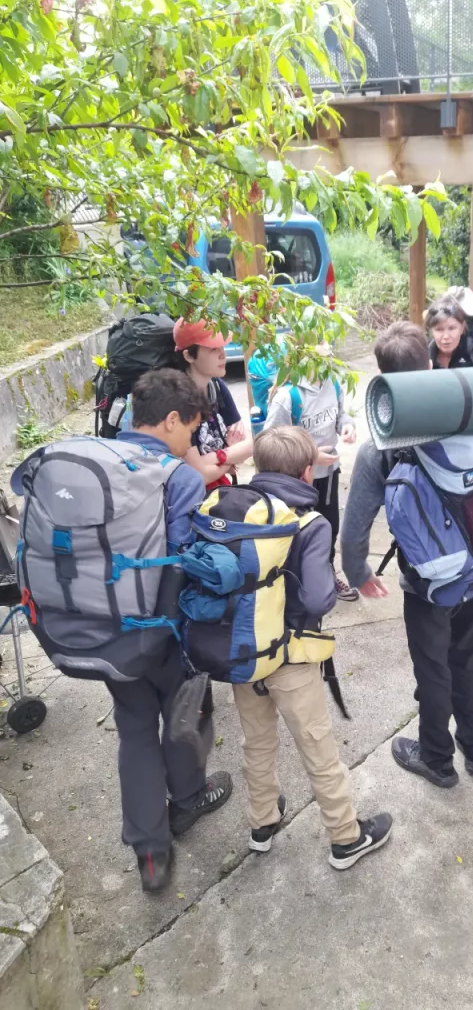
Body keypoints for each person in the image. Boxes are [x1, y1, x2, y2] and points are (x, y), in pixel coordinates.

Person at [231, 425, 393, 869]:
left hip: (242, 651)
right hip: (290, 656)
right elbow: (320, 598)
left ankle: (261, 823)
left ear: (259, 466)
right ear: (307, 473)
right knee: (317, 746)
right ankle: (345, 837)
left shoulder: (236, 509)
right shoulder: (310, 522)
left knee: (257, 741)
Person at [341, 322, 473, 789]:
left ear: (382, 378)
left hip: (429, 581)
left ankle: (436, 760)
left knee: (433, 668)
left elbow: (353, 532)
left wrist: (359, 572)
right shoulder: (471, 421)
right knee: (466, 659)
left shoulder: (381, 447)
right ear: (429, 365)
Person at [114, 369, 232, 891]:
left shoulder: (99, 460)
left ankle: (151, 854)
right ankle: (187, 800)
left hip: (106, 629)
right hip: (164, 630)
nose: (190, 441)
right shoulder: (177, 477)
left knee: (134, 731)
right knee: (187, 712)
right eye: (190, 429)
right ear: (169, 420)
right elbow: (188, 561)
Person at [263, 345, 359, 601]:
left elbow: (341, 416)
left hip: (328, 475)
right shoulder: (288, 397)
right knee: (296, 532)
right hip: (296, 482)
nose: (325, 363)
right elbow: (268, 445)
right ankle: (291, 582)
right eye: (318, 358)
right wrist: (309, 455)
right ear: (300, 359)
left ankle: (326, 575)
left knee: (328, 528)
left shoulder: (334, 383)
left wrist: (348, 426)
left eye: (328, 356)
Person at [173, 318, 254, 488]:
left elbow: (250, 444)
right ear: (188, 355)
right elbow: (199, 476)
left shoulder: (214, 385)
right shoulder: (178, 402)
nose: (223, 354)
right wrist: (228, 458)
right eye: (212, 348)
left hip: (220, 488)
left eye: (222, 346)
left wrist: (214, 459)